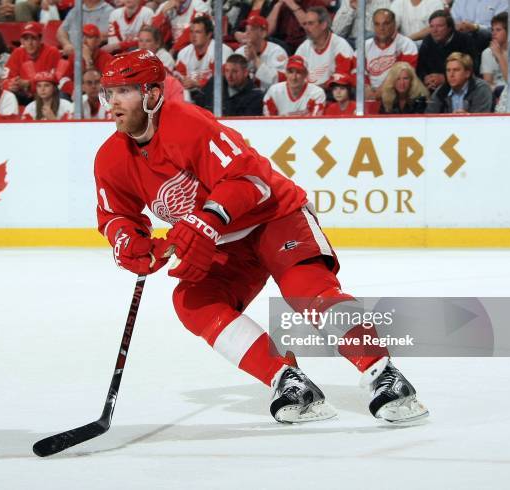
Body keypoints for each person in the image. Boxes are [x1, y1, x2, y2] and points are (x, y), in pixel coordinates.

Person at [95, 49, 429, 425]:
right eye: (108, 93)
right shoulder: (111, 157)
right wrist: (130, 242)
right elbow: (116, 215)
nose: (112, 103)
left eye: (123, 92)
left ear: (152, 94)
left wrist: (205, 221)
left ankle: (383, 373)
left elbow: (250, 179)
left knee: (307, 290)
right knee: (193, 299)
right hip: (225, 241)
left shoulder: (187, 123)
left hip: (274, 216)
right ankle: (288, 380)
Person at [174, 16, 233, 101]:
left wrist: (197, 83)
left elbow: (222, 80)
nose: (193, 36)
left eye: (198, 32)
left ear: (209, 34)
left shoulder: (220, 50)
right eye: (191, 32)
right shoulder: (184, 53)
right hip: (192, 98)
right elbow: (179, 78)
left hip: (218, 98)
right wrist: (183, 81)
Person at [417, 10, 477, 92]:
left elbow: (472, 69)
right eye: (431, 26)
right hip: (431, 87)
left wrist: (445, 78)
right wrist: (426, 78)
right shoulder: (428, 40)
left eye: (439, 26)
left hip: (459, 87)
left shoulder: (465, 40)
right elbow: (420, 67)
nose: (435, 30)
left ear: (450, 27)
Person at [295, 7, 356, 88]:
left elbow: (341, 78)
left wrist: (315, 90)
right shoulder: (304, 47)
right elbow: (294, 72)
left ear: (323, 25)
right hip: (308, 95)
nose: (306, 28)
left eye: (310, 23)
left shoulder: (340, 45)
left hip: (332, 94)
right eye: (305, 24)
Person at [365, 8, 418, 99]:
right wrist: (366, 88)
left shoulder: (407, 45)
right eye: (377, 24)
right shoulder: (364, 46)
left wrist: (378, 93)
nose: (381, 28)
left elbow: (404, 77)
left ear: (394, 24)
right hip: (368, 95)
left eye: (386, 23)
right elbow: (357, 72)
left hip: (396, 96)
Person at [4, 22, 61, 104]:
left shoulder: (52, 52)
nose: (30, 43)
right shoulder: (17, 53)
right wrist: (12, 85)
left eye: (33, 38)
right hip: (23, 96)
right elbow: (5, 79)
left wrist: (29, 84)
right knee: (8, 94)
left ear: (40, 39)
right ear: (22, 41)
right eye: (26, 39)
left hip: (46, 97)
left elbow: (56, 81)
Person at [192, 53, 265, 115]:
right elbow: (198, 106)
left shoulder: (256, 96)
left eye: (235, 71)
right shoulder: (214, 83)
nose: (229, 76)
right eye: (227, 71)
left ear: (245, 73)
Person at [234, 15, 288, 92]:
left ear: (263, 33)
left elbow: (280, 80)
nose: (247, 33)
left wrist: (255, 59)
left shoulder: (277, 52)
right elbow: (233, 80)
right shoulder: (240, 52)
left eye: (252, 29)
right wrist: (246, 61)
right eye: (246, 29)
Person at [426, 51, 492, 113]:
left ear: (467, 73)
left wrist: (466, 118)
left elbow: (481, 120)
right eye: (448, 70)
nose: (451, 75)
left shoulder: (481, 89)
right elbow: (429, 118)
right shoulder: (440, 92)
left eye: (456, 70)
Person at [58, 24, 113, 98]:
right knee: (61, 93)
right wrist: (76, 89)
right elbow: (64, 79)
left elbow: (101, 84)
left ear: (98, 41)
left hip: (99, 96)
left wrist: (88, 60)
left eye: (89, 37)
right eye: (82, 37)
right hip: (79, 93)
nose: (84, 41)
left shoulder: (107, 58)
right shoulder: (75, 56)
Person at [481, 13, 510, 92]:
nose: (493, 33)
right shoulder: (487, 53)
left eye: (498, 30)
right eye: (492, 29)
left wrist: (499, 55)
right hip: (496, 93)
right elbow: (487, 82)